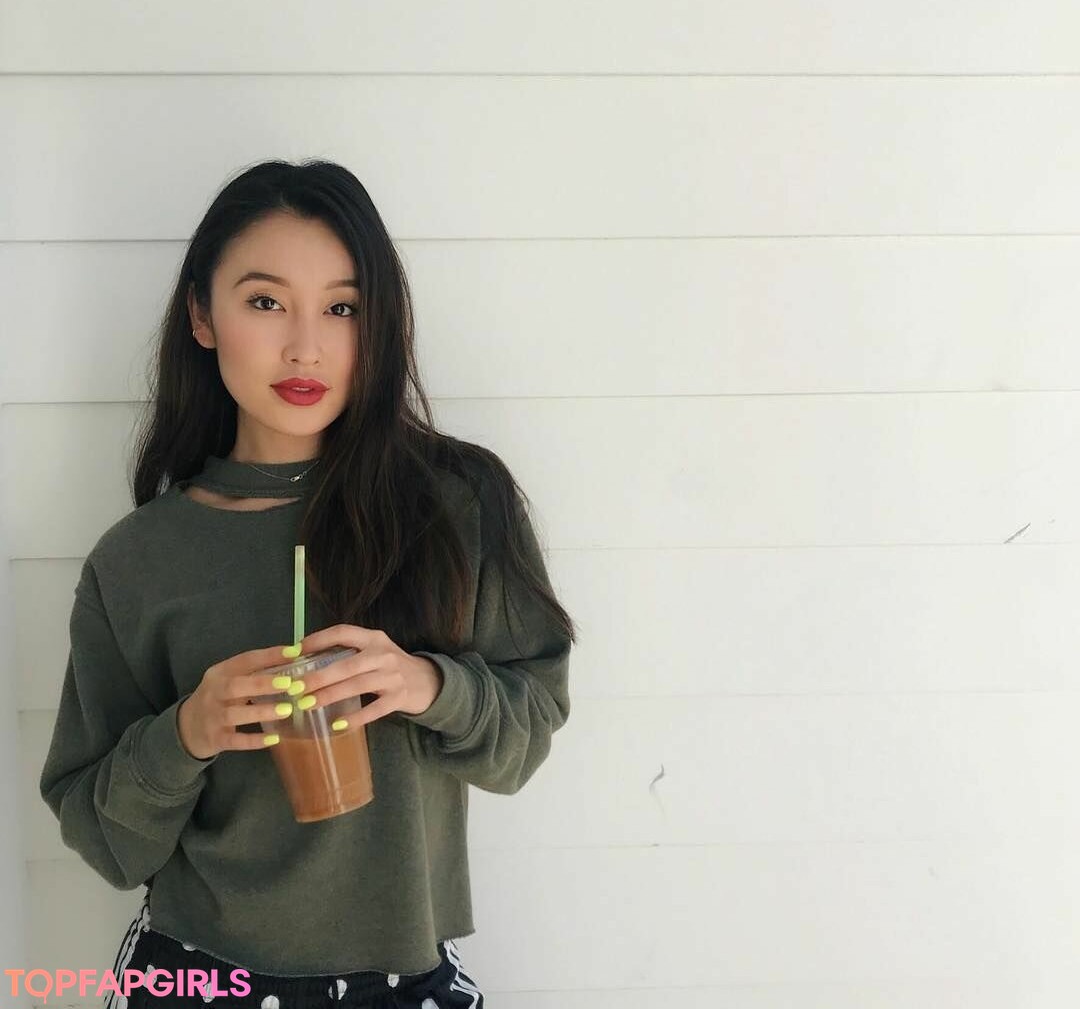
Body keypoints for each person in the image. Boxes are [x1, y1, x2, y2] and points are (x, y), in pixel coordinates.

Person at [38, 159, 577, 1009]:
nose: (305, 346)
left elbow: (527, 733)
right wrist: (190, 729)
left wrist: (424, 683)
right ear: (201, 315)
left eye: (342, 307)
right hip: (196, 975)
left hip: (403, 975)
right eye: (265, 302)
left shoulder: (458, 506)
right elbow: (104, 840)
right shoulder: (136, 560)